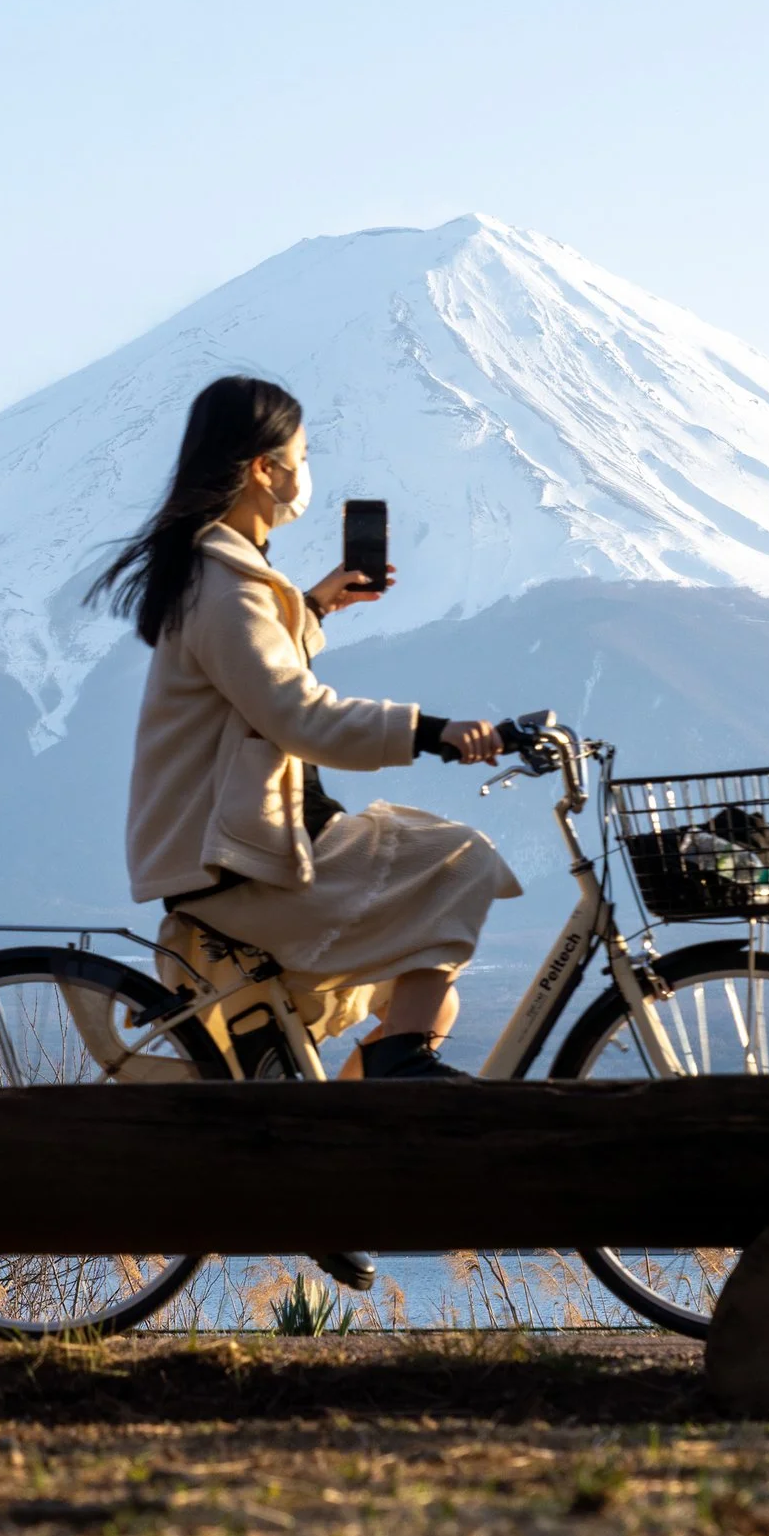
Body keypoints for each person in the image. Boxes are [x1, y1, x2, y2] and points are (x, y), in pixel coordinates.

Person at [89, 375, 522, 1080]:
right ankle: (396, 1068)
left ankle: (357, 1117)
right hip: (237, 862)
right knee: (458, 857)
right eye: (302, 453)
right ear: (266, 468)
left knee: (431, 1001)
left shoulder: (224, 575)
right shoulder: (223, 585)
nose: (304, 471)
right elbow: (300, 717)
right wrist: (434, 730)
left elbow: (253, 679)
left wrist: (315, 607)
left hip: (249, 846)